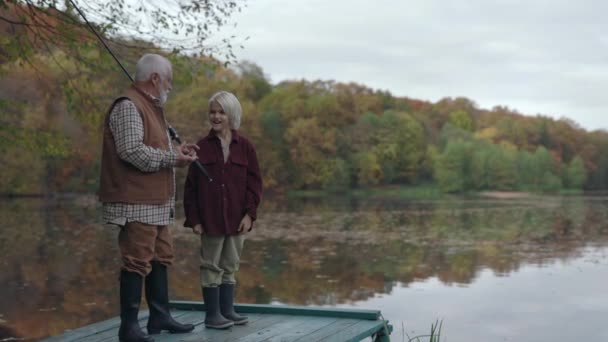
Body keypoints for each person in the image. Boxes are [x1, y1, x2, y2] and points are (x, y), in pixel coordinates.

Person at [99, 53, 198, 342]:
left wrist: (178, 153)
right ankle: (128, 328)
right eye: (168, 80)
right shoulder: (129, 105)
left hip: (156, 201)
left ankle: (160, 316)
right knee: (136, 261)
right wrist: (173, 158)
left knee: (161, 257)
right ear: (155, 78)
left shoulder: (151, 107)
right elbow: (131, 152)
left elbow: (153, 147)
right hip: (135, 200)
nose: (170, 86)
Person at [183, 91, 263, 329]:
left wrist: (250, 215)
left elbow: (255, 183)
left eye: (221, 112)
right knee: (211, 267)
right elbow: (191, 189)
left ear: (232, 115)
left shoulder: (246, 147)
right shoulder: (201, 147)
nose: (216, 116)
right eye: (213, 112)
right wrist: (194, 220)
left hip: (238, 220)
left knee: (231, 265)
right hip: (210, 220)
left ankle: (227, 311)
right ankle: (212, 316)